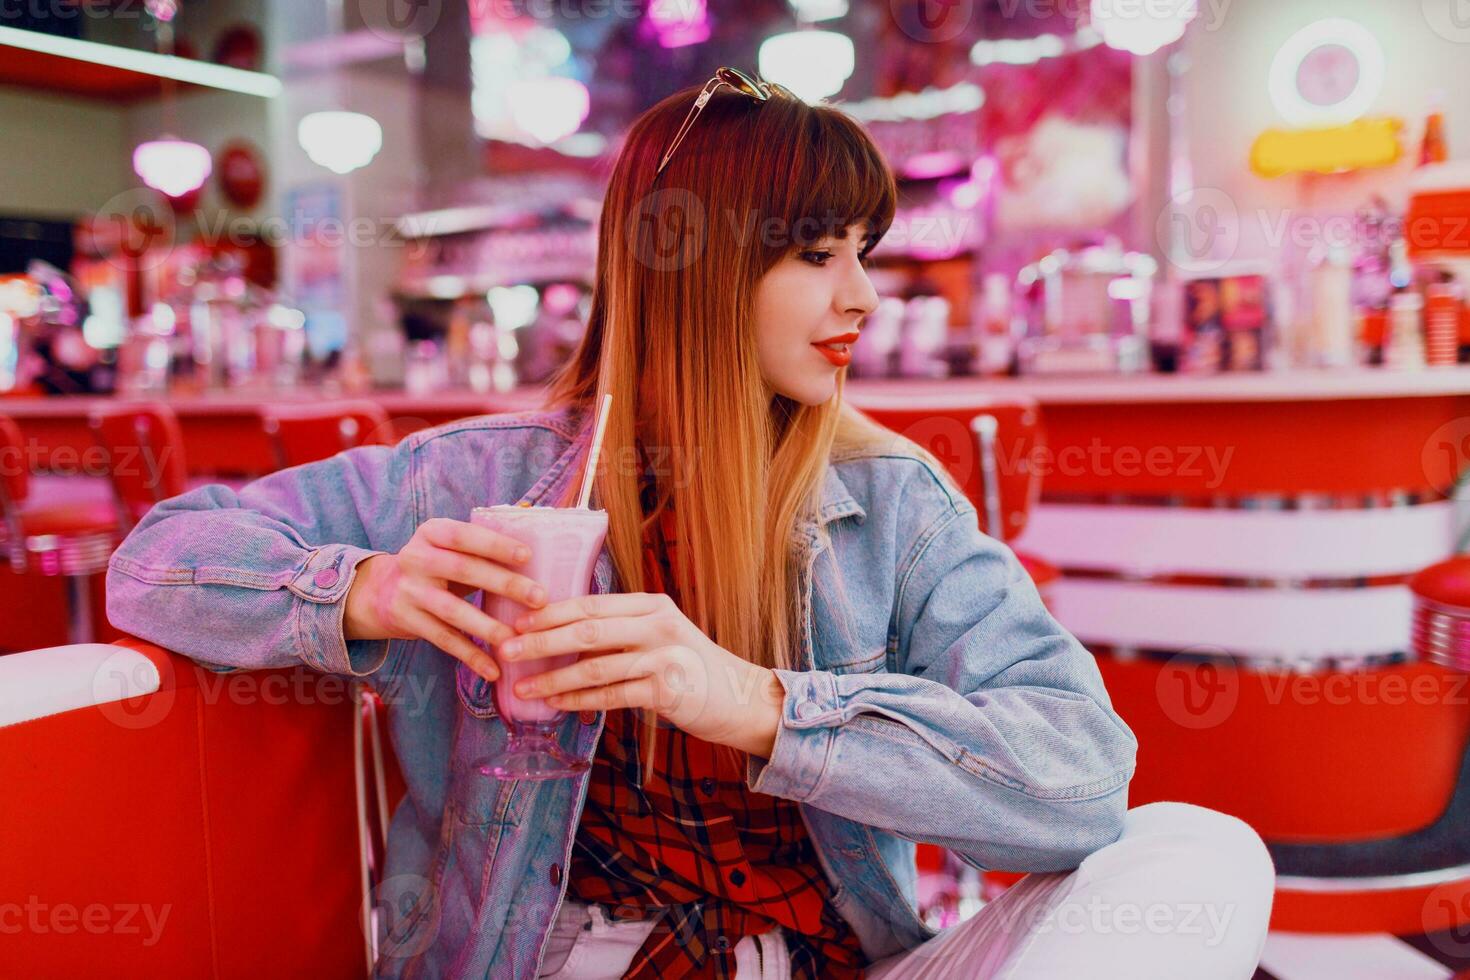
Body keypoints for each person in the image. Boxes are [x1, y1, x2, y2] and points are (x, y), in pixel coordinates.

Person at [106, 68, 1275, 979]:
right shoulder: (471, 481)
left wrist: (756, 701)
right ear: (697, 270)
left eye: (861, 253)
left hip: (825, 956)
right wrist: (361, 590)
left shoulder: (893, 502)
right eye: (817, 255)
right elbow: (152, 556)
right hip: (573, 955)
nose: (863, 296)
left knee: (1202, 845)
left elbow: (1081, 784)